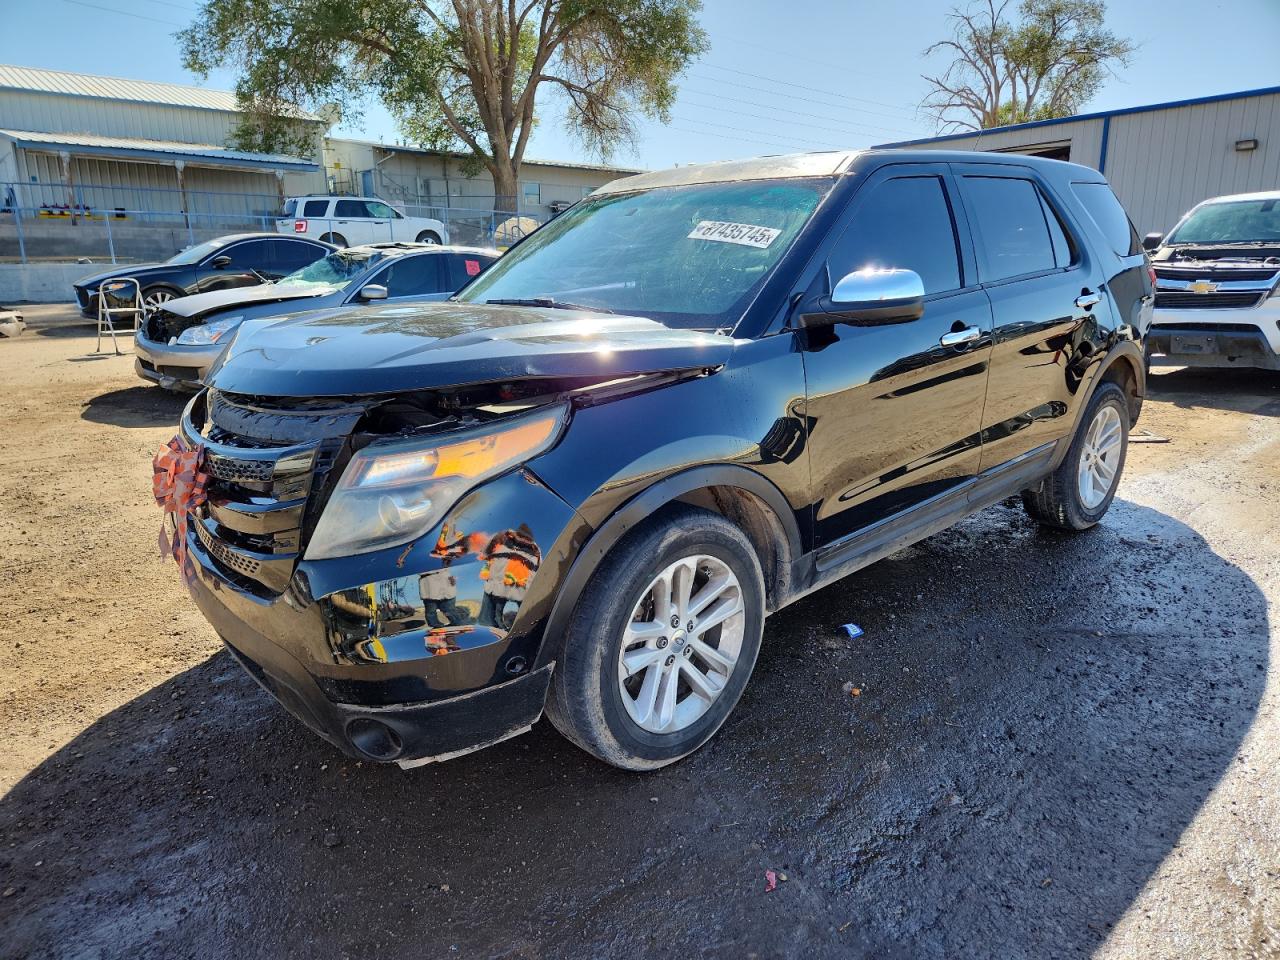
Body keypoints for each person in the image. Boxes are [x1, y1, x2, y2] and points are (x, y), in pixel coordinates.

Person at [477, 523, 541, 628]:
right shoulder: (501, 539)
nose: (522, 539)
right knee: (487, 621)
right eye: (521, 536)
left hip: (515, 592)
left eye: (525, 537)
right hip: (495, 587)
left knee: (502, 621)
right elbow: (485, 552)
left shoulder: (535, 552)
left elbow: (537, 574)